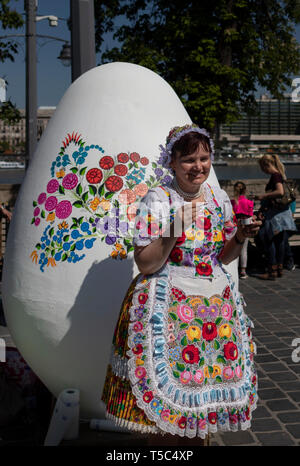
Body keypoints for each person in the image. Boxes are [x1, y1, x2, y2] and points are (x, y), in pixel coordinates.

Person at [101, 124, 261, 445]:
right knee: (162, 422)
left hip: (212, 314)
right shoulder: (158, 200)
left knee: (200, 405)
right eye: (188, 159)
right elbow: (146, 262)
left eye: (204, 158)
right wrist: (175, 225)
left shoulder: (218, 200)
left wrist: (241, 237)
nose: (198, 166)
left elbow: (224, 257)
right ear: (171, 161)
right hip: (168, 309)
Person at [255, 154, 297, 279]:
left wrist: (264, 196)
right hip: (282, 214)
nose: (263, 171)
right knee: (279, 242)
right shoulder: (280, 174)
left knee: (270, 241)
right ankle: (279, 269)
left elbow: (280, 191)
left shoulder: (275, 176)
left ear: (266, 165)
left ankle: (271, 270)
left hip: (276, 216)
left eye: (263, 167)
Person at [231, 182, 254, 279]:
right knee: (244, 250)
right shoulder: (249, 202)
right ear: (245, 190)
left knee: (234, 249)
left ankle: (234, 271)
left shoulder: (232, 202)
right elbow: (251, 216)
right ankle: (243, 271)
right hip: (245, 227)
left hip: (235, 227)